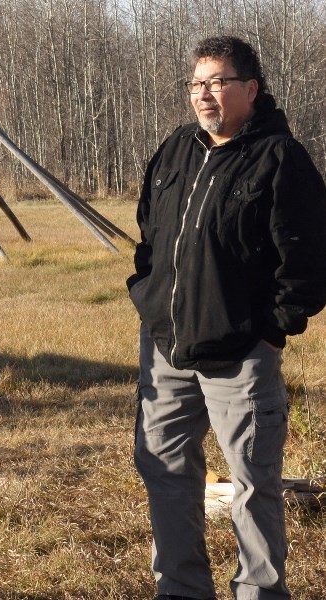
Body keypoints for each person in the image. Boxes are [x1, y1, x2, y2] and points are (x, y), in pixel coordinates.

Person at [127, 35, 326, 600]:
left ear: (251, 89)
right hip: (165, 348)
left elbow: (310, 261)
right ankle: (182, 589)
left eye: (218, 82)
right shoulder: (175, 151)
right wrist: (147, 294)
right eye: (197, 83)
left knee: (253, 483)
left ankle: (259, 593)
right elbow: (150, 236)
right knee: (166, 475)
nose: (204, 94)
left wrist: (269, 330)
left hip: (241, 354)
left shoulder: (281, 159)